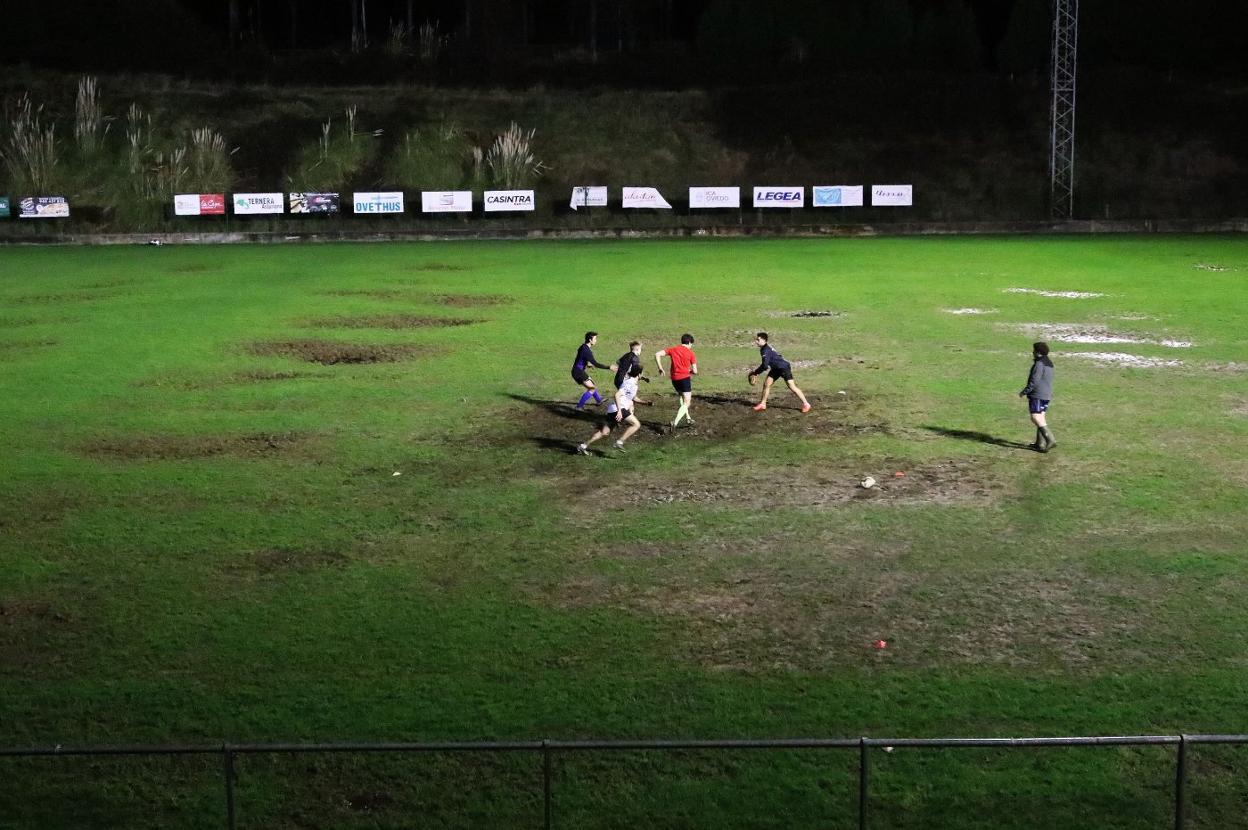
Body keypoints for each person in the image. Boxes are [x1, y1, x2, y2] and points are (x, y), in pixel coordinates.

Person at [577, 363, 644, 455]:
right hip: (618, 408)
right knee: (636, 424)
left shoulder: (633, 384)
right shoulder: (630, 383)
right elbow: (617, 395)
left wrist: (646, 402)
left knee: (604, 432)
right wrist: (620, 411)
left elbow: (633, 398)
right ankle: (619, 442)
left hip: (613, 409)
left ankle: (583, 446)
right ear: (639, 374)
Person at [747, 332, 812, 413]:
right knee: (767, 384)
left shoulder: (765, 350)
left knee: (792, 386)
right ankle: (763, 404)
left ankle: (806, 404)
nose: (756, 341)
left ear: (764, 340)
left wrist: (755, 372)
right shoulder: (764, 348)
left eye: (758, 339)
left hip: (783, 367)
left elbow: (765, 366)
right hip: (776, 368)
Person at [1019, 341, 1056, 452]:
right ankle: (1039, 443)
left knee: (1035, 417)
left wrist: (1025, 391)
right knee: (1041, 417)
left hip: (1038, 395)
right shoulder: (1049, 363)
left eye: (1034, 350)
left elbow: (1035, 380)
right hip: (1047, 395)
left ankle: (1050, 439)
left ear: (1038, 352)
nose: (1032, 352)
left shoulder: (1039, 364)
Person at [655, 333, 697, 429]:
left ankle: (688, 418)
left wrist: (660, 368)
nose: (691, 346)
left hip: (674, 379)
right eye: (691, 344)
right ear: (689, 342)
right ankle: (675, 422)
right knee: (687, 402)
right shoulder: (691, 353)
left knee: (682, 397)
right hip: (684, 378)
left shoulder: (673, 349)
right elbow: (695, 371)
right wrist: (689, 371)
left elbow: (657, 354)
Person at [571, 331, 617, 410]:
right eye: (595, 339)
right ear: (590, 340)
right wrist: (609, 367)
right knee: (592, 388)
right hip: (578, 372)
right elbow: (596, 364)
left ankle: (599, 400)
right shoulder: (587, 351)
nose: (596, 340)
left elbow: (580, 358)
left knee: (592, 384)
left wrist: (587, 364)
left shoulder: (583, 347)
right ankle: (579, 407)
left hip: (577, 370)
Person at [615, 340, 651, 406]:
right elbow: (636, 370)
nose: (641, 351)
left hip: (617, 379)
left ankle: (642, 403)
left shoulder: (626, 355)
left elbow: (618, 362)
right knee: (628, 397)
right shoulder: (635, 358)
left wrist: (623, 369)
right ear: (637, 349)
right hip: (624, 379)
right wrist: (641, 376)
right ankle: (622, 412)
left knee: (627, 395)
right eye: (640, 349)